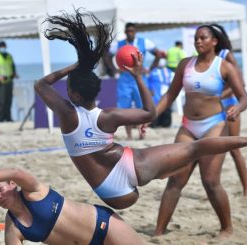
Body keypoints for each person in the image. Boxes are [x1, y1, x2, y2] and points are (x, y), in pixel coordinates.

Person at [34, 9, 247, 212]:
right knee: (195, 149)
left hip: (113, 195)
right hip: (133, 165)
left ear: (73, 94)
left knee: (186, 165)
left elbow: (40, 85)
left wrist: (73, 66)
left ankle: (160, 228)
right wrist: (138, 76)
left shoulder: (67, 113)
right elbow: (150, 113)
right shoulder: (108, 116)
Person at [153, 25, 247, 237]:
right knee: (175, 180)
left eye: (203, 38)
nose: (198, 41)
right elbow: (170, 95)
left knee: (210, 181)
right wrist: (152, 115)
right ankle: (158, 231)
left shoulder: (223, 66)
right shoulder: (185, 64)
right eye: (196, 38)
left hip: (215, 125)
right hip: (188, 126)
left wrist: (238, 108)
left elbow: (244, 96)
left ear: (214, 41)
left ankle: (227, 228)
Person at [0, 168, 145, 245]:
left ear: (12, 184)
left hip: (104, 227)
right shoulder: (13, 227)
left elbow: (16, 171)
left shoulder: (33, 191)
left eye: (0, 189)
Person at [107, 22, 160, 140]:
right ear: (125, 32)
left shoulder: (144, 42)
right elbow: (107, 55)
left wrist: (149, 69)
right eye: (128, 31)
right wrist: (114, 69)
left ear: (135, 32)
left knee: (144, 107)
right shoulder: (119, 44)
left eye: (132, 31)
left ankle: (142, 134)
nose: (130, 33)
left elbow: (158, 54)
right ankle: (129, 136)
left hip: (140, 77)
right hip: (124, 80)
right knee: (125, 109)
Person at [212, 24, 247, 197]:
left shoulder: (226, 55)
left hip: (230, 105)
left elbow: (240, 84)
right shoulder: (209, 57)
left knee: (234, 150)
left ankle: (246, 188)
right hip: (216, 108)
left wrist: (218, 95)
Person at [147, 58, 174, 128]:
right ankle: (156, 123)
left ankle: (164, 124)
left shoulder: (169, 72)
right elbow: (148, 82)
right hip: (156, 95)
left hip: (165, 95)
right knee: (157, 109)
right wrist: (150, 90)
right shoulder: (153, 72)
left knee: (165, 110)